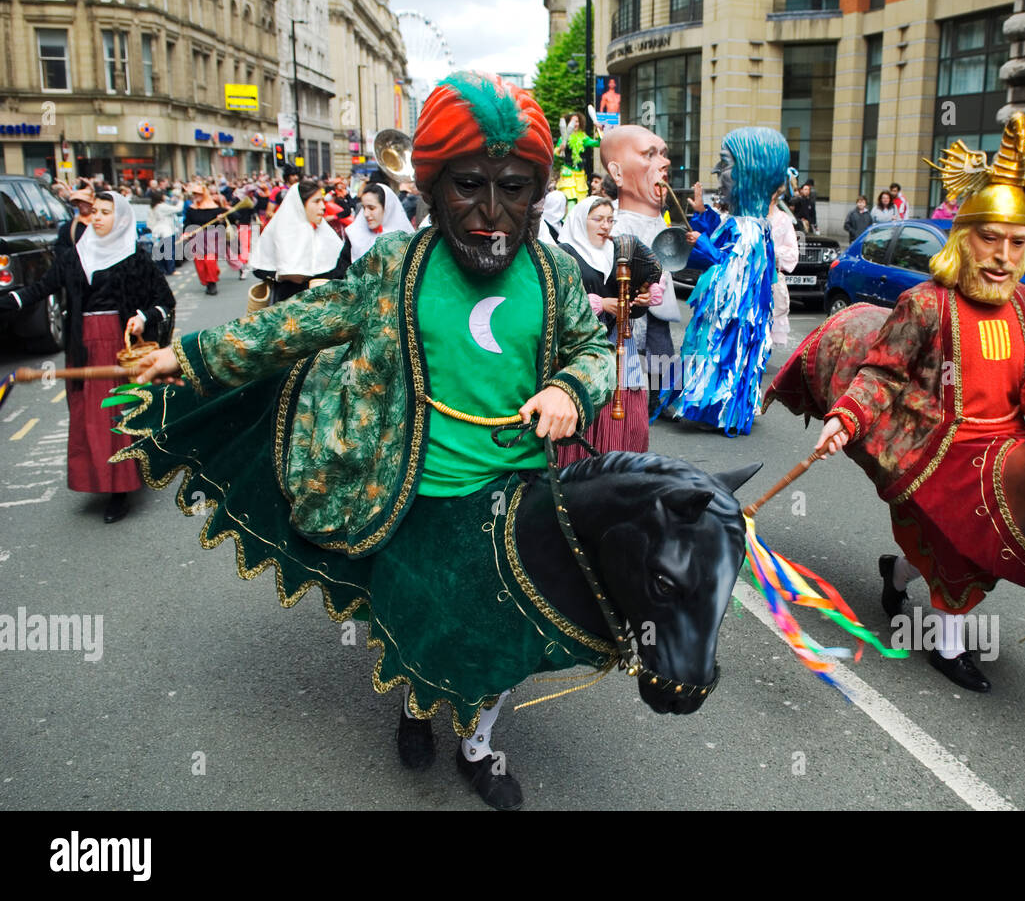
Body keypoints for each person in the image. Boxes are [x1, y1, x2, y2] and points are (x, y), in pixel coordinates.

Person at [124, 71, 615, 811]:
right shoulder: (394, 268)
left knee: (504, 636)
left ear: (537, 193)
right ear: (432, 186)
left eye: (513, 189)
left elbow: (593, 351)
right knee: (422, 621)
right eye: (469, 186)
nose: (490, 213)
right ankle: (416, 706)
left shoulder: (555, 275)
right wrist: (187, 357)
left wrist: (570, 387)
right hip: (415, 491)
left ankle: (479, 747)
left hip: (517, 498)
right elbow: (295, 323)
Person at [765, 113, 1025, 693]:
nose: (1003, 256)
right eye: (990, 239)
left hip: (1007, 445)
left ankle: (895, 574)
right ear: (963, 237)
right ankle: (948, 649)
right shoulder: (925, 305)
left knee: (990, 544)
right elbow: (882, 372)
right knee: (957, 546)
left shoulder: (1023, 302)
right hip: (939, 448)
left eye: (1017, 243)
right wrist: (845, 417)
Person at [0, 192, 174, 522]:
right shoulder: (74, 256)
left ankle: (120, 489)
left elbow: (164, 302)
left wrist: (142, 317)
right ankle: (97, 479)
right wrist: (9, 302)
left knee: (114, 416)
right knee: (87, 417)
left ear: (121, 219)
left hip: (115, 345)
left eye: (105, 212)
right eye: (94, 211)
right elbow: (39, 289)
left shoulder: (134, 259)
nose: (96, 217)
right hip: (82, 345)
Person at [665, 127, 790, 436]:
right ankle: (712, 406)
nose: (718, 172)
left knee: (722, 354)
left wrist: (701, 244)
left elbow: (728, 269)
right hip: (722, 317)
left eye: (726, 163)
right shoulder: (745, 225)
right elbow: (722, 244)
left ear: (751, 171)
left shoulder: (750, 230)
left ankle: (717, 409)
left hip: (728, 319)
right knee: (713, 353)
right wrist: (701, 215)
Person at [554, 195, 658, 463]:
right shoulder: (565, 253)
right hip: (581, 345)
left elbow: (637, 292)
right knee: (590, 404)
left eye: (610, 220)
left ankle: (622, 472)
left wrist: (641, 299)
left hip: (621, 341)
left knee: (628, 413)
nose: (605, 226)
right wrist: (599, 304)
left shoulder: (618, 252)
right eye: (598, 219)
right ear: (581, 220)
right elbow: (557, 300)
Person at [600, 124, 680, 413]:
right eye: (650, 154)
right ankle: (632, 402)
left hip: (659, 303)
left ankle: (669, 397)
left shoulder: (661, 218)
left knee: (664, 350)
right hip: (631, 306)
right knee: (630, 352)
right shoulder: (614, 223)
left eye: (663, 153)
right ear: (618, 173)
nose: (665, 162)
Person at [250, 181, 344, 304]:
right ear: (300, 204)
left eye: (322, 201)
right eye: (316, 201)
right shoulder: (278, 229)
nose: (323, 206)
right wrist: (281, 275)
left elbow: (342, 265)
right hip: (288, 306)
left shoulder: (325, 231)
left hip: (322, 308)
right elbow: (259, 266)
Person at [333, 182, 414, 277]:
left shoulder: (405, 240)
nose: (366, 214)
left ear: (387, 208)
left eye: (371, 208)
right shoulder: (355, 236)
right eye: (364, 208)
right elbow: (340, 274)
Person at [183, 183, 225, 295]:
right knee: (200, 265)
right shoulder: (191, 209)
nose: (196, 196)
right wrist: (186, 232)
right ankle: (207, 281)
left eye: (198, 194)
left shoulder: (215, 208)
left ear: (204, 194)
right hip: (196, 239)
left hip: (211, 238)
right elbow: (187, 223)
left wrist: (221, 220)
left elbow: (224, 224)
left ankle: (212, 283)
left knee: (210, 261)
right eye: (194, 194)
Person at [770, 192, 800, 345]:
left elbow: (792, 253)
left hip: (770, 282)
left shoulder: (783, 219)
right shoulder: (749, 216)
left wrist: (771, 252)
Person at [554, 111, 599, 206]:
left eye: (577, 121)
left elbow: (598, 143)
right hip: (568, 173)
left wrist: (598, 129)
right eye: (572, 121)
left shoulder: (583, 138)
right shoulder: (563, 138)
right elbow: (555, 154)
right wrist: (560, 149)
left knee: (581, 202)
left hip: (580, 175)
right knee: (570, 200)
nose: (575, 124)